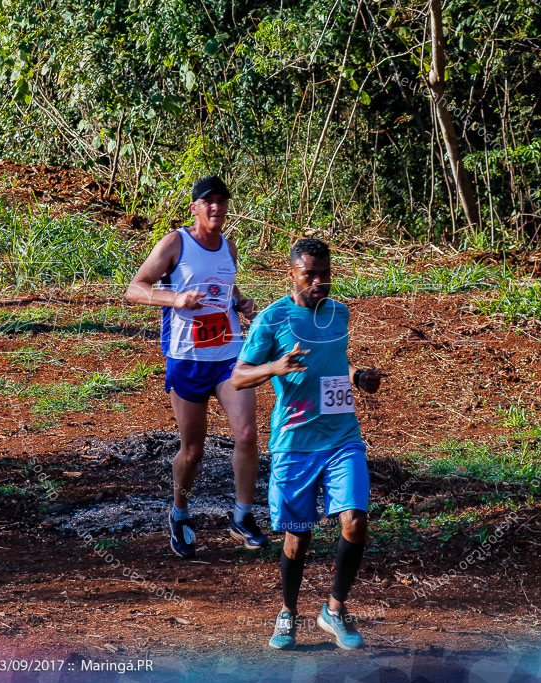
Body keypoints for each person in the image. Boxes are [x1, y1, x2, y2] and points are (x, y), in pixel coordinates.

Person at [231, 238, 385, 651]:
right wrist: (273, 367)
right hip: (294, 443)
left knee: (355, 518)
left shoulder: (339, 313)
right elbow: (239, 376)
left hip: (342, 436)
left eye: (325, 274)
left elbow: (333, 362)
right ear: (291, 274)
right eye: (310, 274)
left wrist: (356, 377)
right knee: (297, 537)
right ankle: (288, 613)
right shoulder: (272, 319)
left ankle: (334, 610)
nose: (319, 282)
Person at [125, 175, 267, 559]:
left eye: (221, 201)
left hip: (229, 355)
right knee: (193, 450)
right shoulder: (176, 243)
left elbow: (227, 289)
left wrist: (241, 302)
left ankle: (242, 515)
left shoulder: (229, 247)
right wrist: (175, 299)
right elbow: (135, 288)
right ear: (194, 207)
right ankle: (180, 512)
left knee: (248, 433)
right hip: (187, 358)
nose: (216, 208)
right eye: (209, 202)